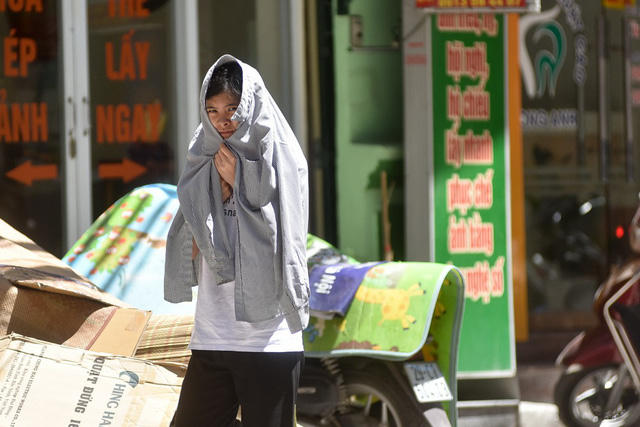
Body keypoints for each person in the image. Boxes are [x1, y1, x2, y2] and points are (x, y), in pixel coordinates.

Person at [164, 55, 310, 426]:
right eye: (212, 111)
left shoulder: (282, 157)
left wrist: (241, 183)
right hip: (213, 337)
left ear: (249, 106)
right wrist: (212, 199)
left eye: (232, 109)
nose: (222, 121)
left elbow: (287, 243)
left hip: (270, 342)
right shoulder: (203, 154)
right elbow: (190, 248)